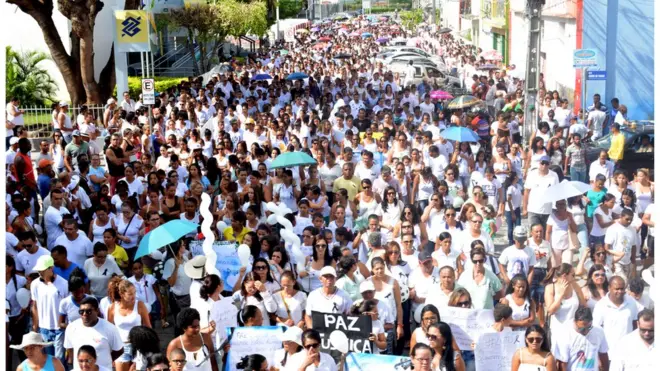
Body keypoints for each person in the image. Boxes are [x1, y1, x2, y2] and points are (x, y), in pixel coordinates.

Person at [64, 296, 123, 371]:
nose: (84, 314)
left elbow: (119, 350)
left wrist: (105, 362)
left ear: (97, 311)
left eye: (88, 311)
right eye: (81, 312)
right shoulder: (71, 327)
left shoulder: (110, 328)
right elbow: (69, 349)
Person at [30, 255, 69, 363]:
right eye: (39, 270)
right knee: (47, 360)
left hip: (59, 329)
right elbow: (35, 306)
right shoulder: (35, 284)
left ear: (50, 268)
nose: (39, 272)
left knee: (59, 360)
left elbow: (67, 307)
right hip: (43, 329)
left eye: (42, 270)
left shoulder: (64, 284)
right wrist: (35, 326)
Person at [107, 277, 152, 371]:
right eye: (130, 294)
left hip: (139, 345)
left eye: (135, 292)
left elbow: (148, 327)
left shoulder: (140, 305)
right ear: (121, 294)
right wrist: (110, 352)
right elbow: (109, 331)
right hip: (121, 346)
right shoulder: (112, 308)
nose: (134, 296)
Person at [592, 276, 639, 354]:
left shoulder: (631, 302)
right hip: (609, 353)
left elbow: (635, 325)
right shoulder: (601, 305)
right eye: (617, 289)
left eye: (622, 288)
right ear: (609, 288)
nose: (620, 291)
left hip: (628, 352)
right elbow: (596, 329)